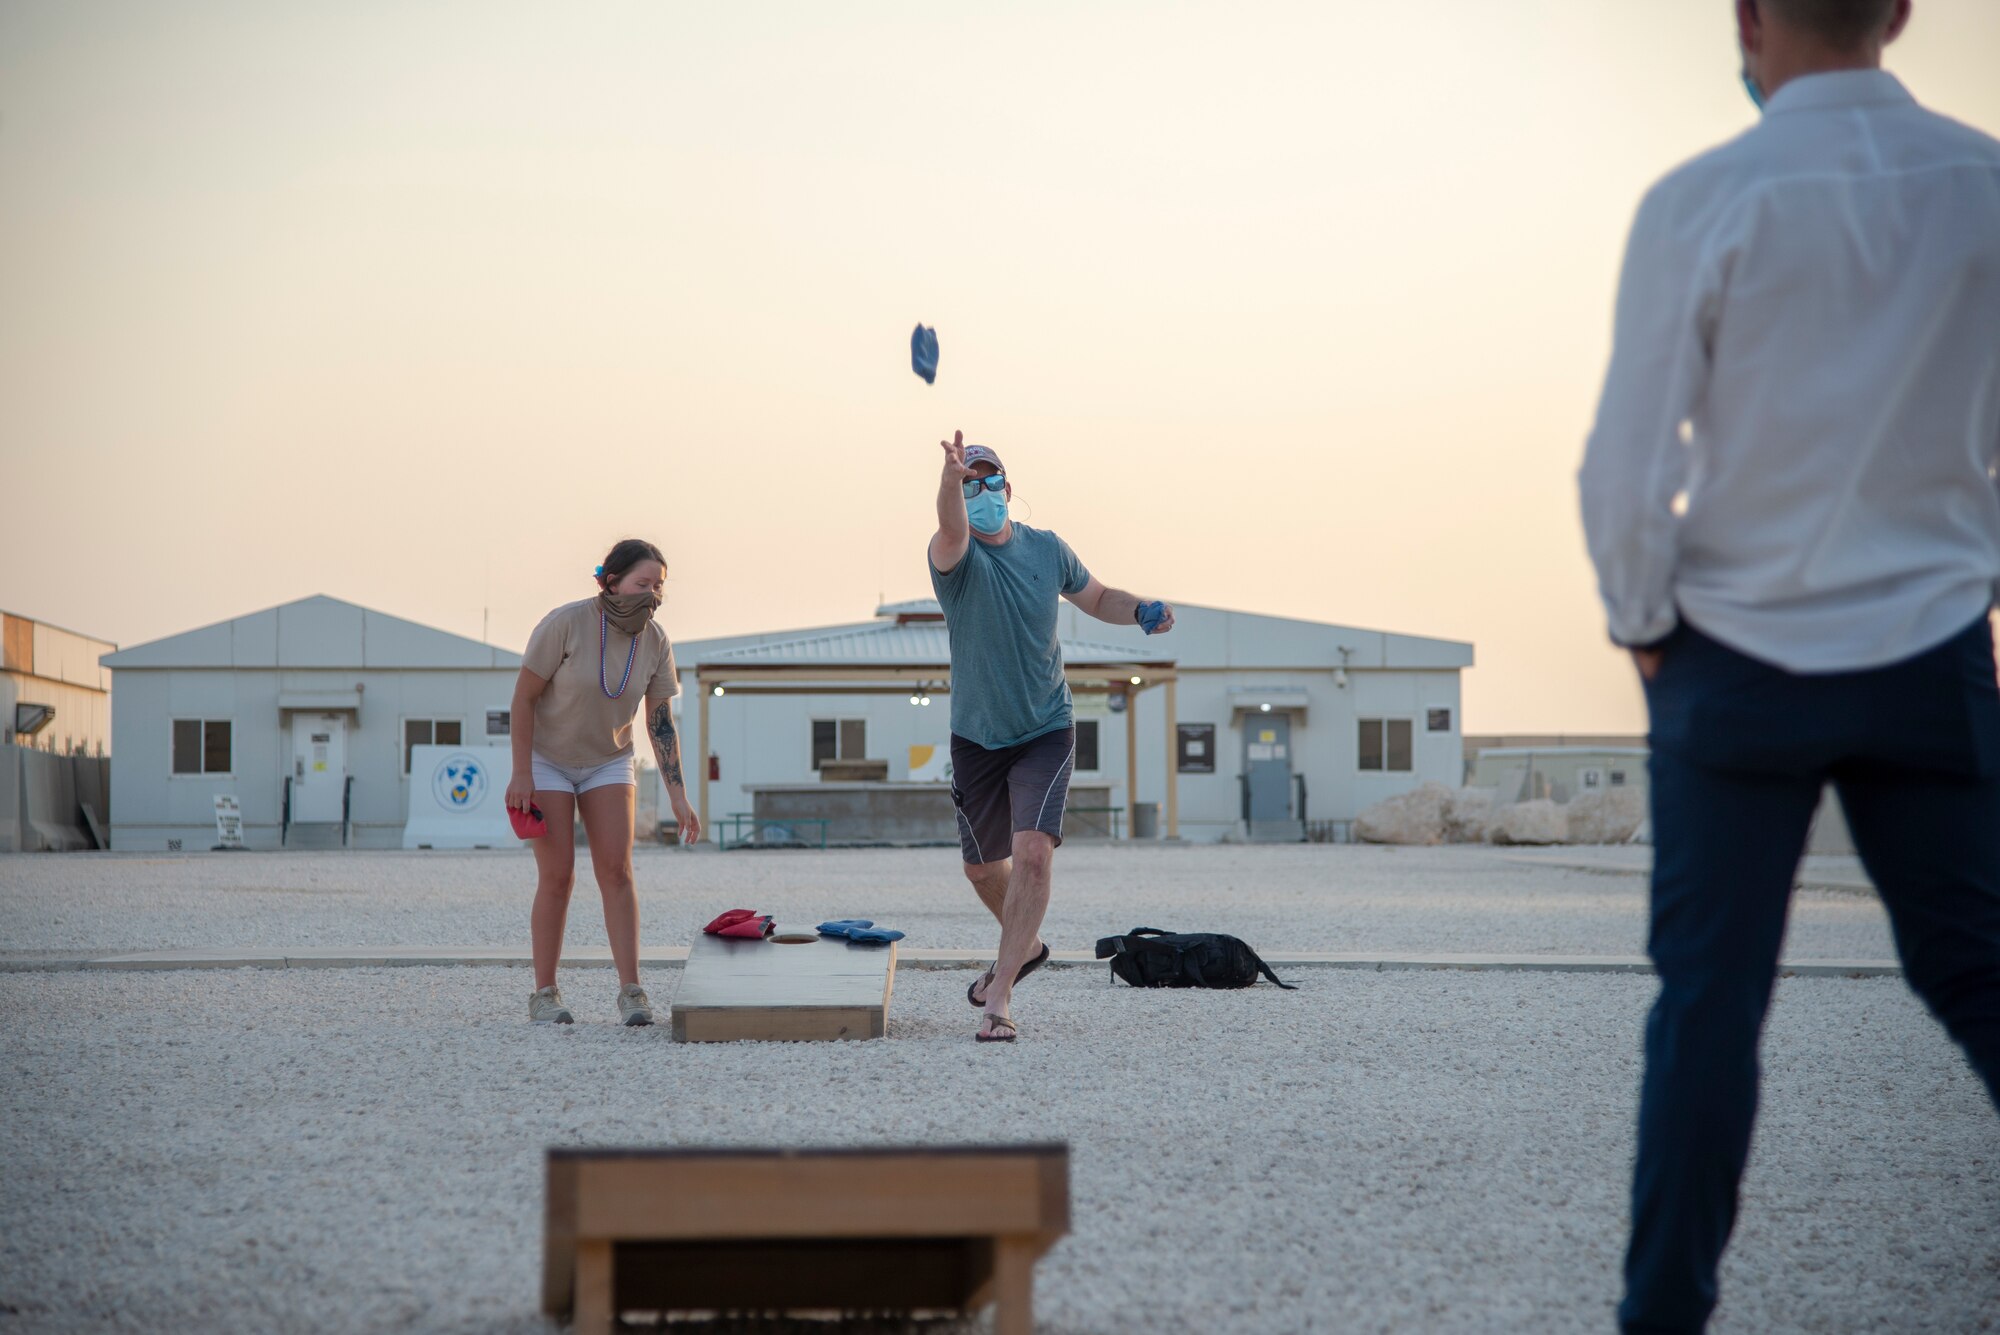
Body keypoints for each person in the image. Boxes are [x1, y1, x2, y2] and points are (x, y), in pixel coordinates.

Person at [1578, 2, 2000, 1329]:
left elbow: (1628, 463)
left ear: (1748, 18)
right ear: (1903, 12)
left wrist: (1645, 620)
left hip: (1738, 651)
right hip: (1931, 643)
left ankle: (1664, 1316)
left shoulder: (1703, 196)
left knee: (1710, 1004)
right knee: (1981, 968)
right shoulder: (1985, 187)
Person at [928, 431, 1176, 1042]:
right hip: (976, 736)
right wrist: (947, 479)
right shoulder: (954, 557)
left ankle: (1001, 998)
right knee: (983, 870)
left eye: (989, 481)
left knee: (1034, 853)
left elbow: (1097, 597)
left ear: (1009, 491)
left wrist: (1140, 608)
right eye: (969, 483)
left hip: (1045, 726)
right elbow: (952, 526)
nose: (980, 490)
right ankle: (1028, 945)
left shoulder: (1047, 550)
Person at [505, 539, 701, 1026]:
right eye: (642, 584)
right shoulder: (564, 624)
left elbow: (660, 723)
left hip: (609, 760)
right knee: (559, 875)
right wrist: (522, 772)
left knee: (617, 870)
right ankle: (544, 993)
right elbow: (523, 700)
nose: (651, 595)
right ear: (610, 582)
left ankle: (631, 991)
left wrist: (679, 796)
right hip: (548, 759)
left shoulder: (655, 641)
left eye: (659, 586)